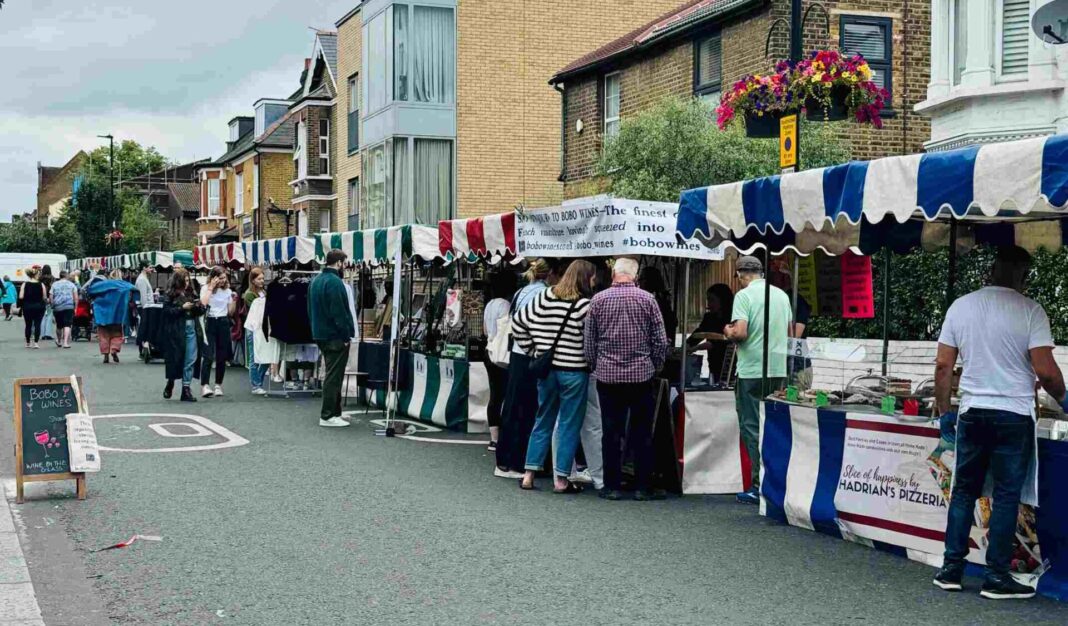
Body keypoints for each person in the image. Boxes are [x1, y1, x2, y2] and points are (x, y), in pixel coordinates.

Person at [932, 246, 1066, 600]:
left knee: (964, 491)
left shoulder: (961, 306)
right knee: (1006, 496)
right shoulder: (1031, 311)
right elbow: (1046, 373)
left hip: (973, 412)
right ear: (1022, 275)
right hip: (1013, 414)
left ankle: (951, 569)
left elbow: (944, 366)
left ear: (992, 271)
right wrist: (1066, 401)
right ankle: (996, 576)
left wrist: (944, 411)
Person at [585, 258, 669, 501]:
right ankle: (642, 486)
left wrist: (594, 364)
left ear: (613, 273)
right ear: (635, 275)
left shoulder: (598, 300)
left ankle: (612, 486)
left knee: (611, 431)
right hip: (641, 375)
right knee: (642, 432)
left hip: (608, 375)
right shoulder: (648, 300)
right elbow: (660, 339)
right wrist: (655, 365)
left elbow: (590, 341)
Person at [513, 259, 596, 493]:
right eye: (592, 277)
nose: (594, 281)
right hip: (574, 372)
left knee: (543, 420)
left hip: (546, 370)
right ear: (584, 278)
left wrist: (534, 350)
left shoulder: (544, 297)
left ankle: (529, 474)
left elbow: (518, 323)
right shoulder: (584, 306)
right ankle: (561, 480)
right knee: (569, 424)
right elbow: (589, 343)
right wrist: (590, 361)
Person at [723, 255, 791, 505]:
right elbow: (789, 333)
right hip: (777, 369)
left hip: (751, 370)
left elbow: (740, 332)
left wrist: (727, 331)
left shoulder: (743, 296)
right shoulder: (782, 295)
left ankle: (757, 484)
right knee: (773, 425)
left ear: (741, 274)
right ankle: (775, 481)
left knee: (751, 426)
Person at [494, 259, 560, 479]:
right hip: (530, 355)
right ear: (550, 274)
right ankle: (518, 462)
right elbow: (530, 323)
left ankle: (504, 460)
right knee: (529, 409)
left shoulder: (521, 292)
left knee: (513, 406)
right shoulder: (544, 294)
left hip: (516, 353)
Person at [309, 249, 356, 427]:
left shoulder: (316, 281)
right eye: (344, 263)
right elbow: (340, 313)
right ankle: (328, 415)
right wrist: (346, 335)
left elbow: (310, 310)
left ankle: (334, 413)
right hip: (335, 335)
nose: (345, 266)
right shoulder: (335, 282)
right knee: (334, 375)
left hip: (320, 333)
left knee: (332, 372)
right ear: (338, 263)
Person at [483, 272, 516, 451]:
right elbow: (507, 329)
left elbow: (485, 330)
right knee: (505, 395)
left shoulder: (489, 304)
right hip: (502, 354)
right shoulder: (505, 305)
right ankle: (503, 435)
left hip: (489, 351)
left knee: (494, 395)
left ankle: (493, 438)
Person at [160, 269, 204, 402]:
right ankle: (171, 381)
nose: (187, 283)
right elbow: (166, 312)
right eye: (184, 280)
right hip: (176, 330)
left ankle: (186, 388)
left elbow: (201, 310)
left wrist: (198, 306)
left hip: (191, 327)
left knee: (190, 358)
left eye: (187, 280)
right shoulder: (170, 294)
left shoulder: (192, 292)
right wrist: (181, 308)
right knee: (176, 359)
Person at [199, 266, 236, 398]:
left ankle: (218, 384)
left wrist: (234, 300)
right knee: (208, 355)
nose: (222, 280)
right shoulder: (205, 288)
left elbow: (230, 311)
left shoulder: (227, 291)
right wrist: (211, 287)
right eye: (220, 278)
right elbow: (203, 303)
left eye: (224, 278)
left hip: (223, 322)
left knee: (221, 356)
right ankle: (205, 385)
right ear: (213, 277)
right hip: (209, 321)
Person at [687, 284, 735, 384]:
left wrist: (695, 348)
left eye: (712, 300)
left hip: (731, 363)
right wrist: (686, 346)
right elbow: (698, 334)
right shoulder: (709, 317)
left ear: (722, 300)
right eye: (708, 300)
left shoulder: (733, 317)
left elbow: (718, 343)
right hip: (714, 363)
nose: (709, 304)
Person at [86, 269, 135, 363]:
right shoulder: (125, 285)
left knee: (103, 334)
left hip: (103, 314)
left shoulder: (104, 284)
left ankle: (105, 354)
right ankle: (114, 350)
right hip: (117, 315)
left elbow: (90, 290)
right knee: (117, 334)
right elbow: (135, 289)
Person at [243, 267, 270, 396]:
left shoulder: (264, 292)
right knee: (254, 357)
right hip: (253, 327)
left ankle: (257, 382)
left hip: (263, 327)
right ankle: (256, 385)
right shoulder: (249, 294)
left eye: (263, 278)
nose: (262, 281)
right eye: (259, 279)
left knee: (266, 356)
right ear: (253, 280)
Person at [638, 265, 678, 343]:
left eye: (641, 279)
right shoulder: (660, 299)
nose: (639, 282)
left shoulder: (658, 301)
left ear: (649, 281)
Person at [18, 268, 47, 349]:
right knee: (38, 324)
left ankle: (28, 343)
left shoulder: (24, 284)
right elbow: (44, 297)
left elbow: (21, 296)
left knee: (28, 325)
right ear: (36, 275)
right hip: (39, 306)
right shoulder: (41, 284)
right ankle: (36, 343)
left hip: (27, 306)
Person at [50, 270, 79, 349]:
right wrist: (75, 307)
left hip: (58, 307)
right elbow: (76, 298)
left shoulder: (54, 284)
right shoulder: (72, 285)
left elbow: (51, 296)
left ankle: (59, 341)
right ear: (66, 276)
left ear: (59, 276)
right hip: (69, 306)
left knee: (59, 325)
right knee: (67, 325)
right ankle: (65, 342)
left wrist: (52, 305)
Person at [39, 265, 56, 342]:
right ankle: (48, 334)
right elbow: (54, 288)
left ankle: (42, 334)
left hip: (41, 299)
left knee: (42, 317)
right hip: (50, 298)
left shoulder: (40, 278)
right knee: (49, 316)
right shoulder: (52, 278)